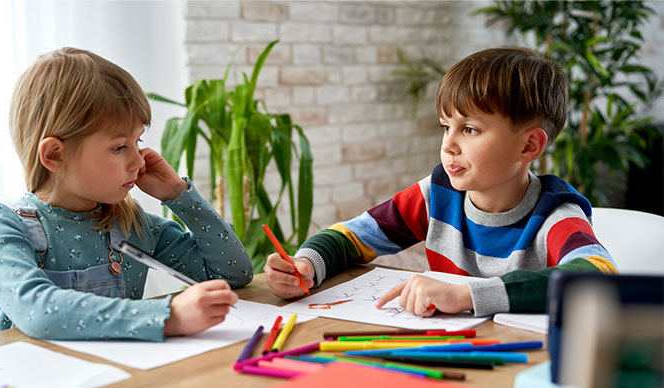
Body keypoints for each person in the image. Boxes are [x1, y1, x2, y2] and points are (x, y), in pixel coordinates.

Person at [264, 47, 616, 317]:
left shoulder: (555, 213)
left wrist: (468, 295)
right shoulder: (437, 195)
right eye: (446, 126)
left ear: (528, 146)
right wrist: (307, 265)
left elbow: (596, 275)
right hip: (443, 348)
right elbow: (352, 237)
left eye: (470, 129)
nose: (449, 144)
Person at [0, 48, 253, 340]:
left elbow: (232, 274)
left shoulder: (133, 224)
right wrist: (167, 316)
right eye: (120, 147)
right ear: (55, 155)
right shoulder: (1, 226)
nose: (140, 161)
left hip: (121, 378)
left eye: (138, 141)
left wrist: (177, 194)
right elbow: (39, 312)